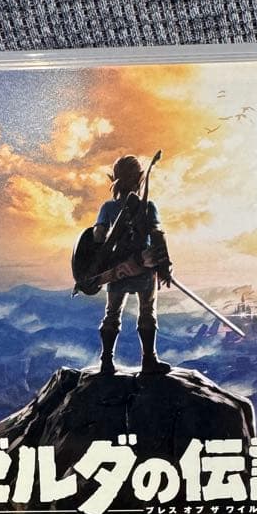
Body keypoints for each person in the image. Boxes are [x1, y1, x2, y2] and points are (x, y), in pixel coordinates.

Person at [93, 155, 172, 375]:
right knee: (147, 312)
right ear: (139, 178)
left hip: (118, 270)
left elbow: (98, 237)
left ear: (114, 179)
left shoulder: (108, 207)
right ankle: (149, 360)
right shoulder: (148, 206)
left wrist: (99, 265)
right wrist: (164, 264)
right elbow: (157, 235)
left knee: (112, 314)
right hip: (144, 267)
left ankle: (106, 362)